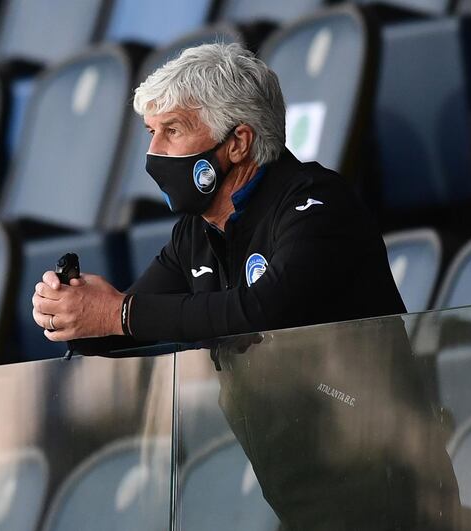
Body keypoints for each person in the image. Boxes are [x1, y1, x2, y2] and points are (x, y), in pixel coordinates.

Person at [31, 42, 406, 350]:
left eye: (173, 130)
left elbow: (264, 312)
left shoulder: (317, 205)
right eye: (151, 132)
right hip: (282, 439)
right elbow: (120, 332)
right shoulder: (194, 233)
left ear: (238, 143)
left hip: (375, 435)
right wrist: (70, 313)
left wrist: (116, 313)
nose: (155, 151)